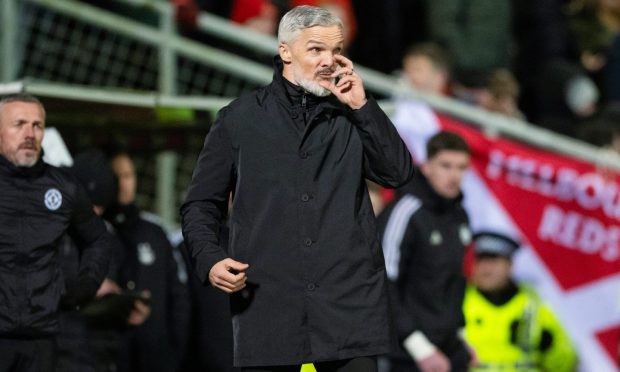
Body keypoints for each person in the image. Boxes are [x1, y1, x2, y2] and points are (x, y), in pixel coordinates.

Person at [181, 5, 414, 371]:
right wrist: (209, 259)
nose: (329, 60)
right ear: (285, 51)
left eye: (336, 51)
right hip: (268, 306)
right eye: (316, 49)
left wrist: (362, 106)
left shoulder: (352, 115)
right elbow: (200, 204)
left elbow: (398, 172)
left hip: (347, 309)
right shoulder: (239, 119)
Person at [0, 93, 110, 371]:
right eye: (19, 124)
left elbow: (97, 239)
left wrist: (85, 286)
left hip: (43, 337)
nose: (30, 133)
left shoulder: (63, 187)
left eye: (37, 125)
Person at [377, 131, 475, 372]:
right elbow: (382, 284)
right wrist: (420, 349)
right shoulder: (406, 212)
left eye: (461, 168)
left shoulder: (459, 215)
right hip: (407, 357)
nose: (454, 176)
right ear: (427, 166)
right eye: (446, 166)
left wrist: (460, 337)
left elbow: (454, 283)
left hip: (449, 350)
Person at [56, 149, 151, 372]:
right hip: (55, 352)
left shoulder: (109, 236)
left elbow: (118, 280)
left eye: (101, 206)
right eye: (89, 205)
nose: (94, 213)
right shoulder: (48, 232)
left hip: (99, 354)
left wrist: (127, 306)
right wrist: (84, 287)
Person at [105, 152, 191, 372]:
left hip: (157, 357)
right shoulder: (97, 232)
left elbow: (179, 295)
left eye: (128, 175)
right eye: (117, 176)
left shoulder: (154, 233)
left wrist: (176, 352)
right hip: (112, 354)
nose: (123, 183)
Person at [463, 231, 578, 372]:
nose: (486, 268)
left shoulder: (534, 304)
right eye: (480, 260)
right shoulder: (458, 302)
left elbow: (566, 363)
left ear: (510, 265)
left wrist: (547, 345)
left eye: (494, 261)